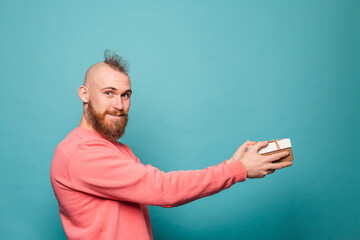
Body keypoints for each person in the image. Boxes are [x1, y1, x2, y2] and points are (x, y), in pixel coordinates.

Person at [50, 50, 293, 240]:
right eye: (109, 93)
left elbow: (157, 186)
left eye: (125, 95)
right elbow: (162, 188)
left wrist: (232, 165)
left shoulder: (116, 150)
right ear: (84, 94)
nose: (119, 105)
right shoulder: (81, 153)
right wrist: (237, 171)